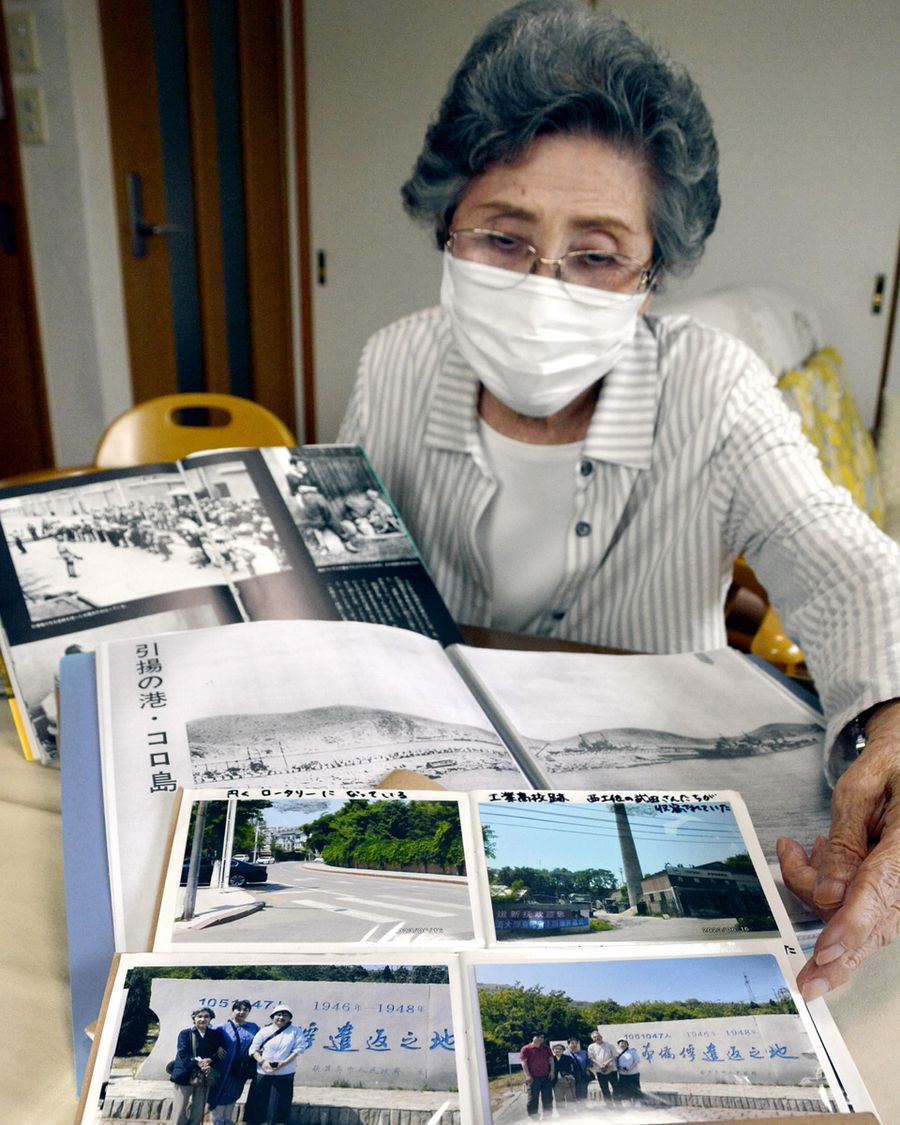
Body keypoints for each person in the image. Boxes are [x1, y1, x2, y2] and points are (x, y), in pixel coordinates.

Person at [337, 0, 900, 1000]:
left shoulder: (714, 389)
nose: (545, 286)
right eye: (503, 239)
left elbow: (848, 563)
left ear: (653, 274)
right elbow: (345, 569)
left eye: (596, 255)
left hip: (644, 818)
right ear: (447, 228)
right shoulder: (395, 364)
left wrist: (894, 718)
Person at [243, 1006, 307, 1125]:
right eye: (278, 1014)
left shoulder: (295, 1031)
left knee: (279, 1104)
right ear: (272, 1017)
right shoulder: (264, 1031)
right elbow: (253, 1049)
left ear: (289, 1018)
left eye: (285, 1015)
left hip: (285, 1073)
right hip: (263, 1072)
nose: (281, 1017)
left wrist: (285, 1062)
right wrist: (262, 1062)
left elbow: (299, 1049)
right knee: (258, 1102)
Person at [169, 1007, 226, 1125]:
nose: (202, 1019)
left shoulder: (215, 1035)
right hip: (185, 1074)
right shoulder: (185, 1034)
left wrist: (210, 1060)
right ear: (193, 1019)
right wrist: (199, 1063)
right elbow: (183, 1053)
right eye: (199, 1016)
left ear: (210, 1019)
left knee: (198, 1109)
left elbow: (220, 1053)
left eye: (206, 1016)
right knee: (180, 1109)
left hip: (204, 1076)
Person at [207, 999, 260, 1125]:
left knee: (234, 1092)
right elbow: (210, 1041)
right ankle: (217, 1120)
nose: (241, 1012)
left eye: (245, 1010)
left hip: (240, 1069)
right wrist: (217, 1047)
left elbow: (260, 1042)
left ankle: (227, 1119)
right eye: (238, 1009)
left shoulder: (253, 1027)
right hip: (224, 1068)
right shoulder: (222, 1028)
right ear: (233, 1010)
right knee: (219, 1092)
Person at [519, 1031, 555, 1117]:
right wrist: (527, 1075)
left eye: (542, 1037)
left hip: (546, 1077)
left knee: (548, 1098)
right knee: (532, 1098)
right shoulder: (526, 1049)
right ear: (533, 1037)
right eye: (538, 1037)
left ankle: (548, 1116)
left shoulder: (546, 1048)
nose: (540, 1039)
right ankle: (534, 1117)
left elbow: (551, 1060)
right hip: (533, 1078)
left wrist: (552, 1071)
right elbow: (523, 1063)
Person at [587, 1029, 617, 1104]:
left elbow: (614, 1055)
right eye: (594, 1037)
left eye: (598, 1036)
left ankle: (618, 1103)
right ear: (593, 1039)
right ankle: (609, 1105)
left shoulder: (609, 1044)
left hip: (611, 1069)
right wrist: (600, 1064)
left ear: (601, 1036)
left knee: (616, 1087)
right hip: (599, 1070)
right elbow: (591, 1058)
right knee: (604, 1088)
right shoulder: (591, 1047)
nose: (597, 1038)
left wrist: (607, 1062)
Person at [550, 1042, 576, 1108]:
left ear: (563, 1050)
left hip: (567, 1081)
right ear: (553, 1050)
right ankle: (562, 1115)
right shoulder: (551, 1059)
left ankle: (571, 1114)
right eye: (556, 1049)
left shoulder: (568, 1058)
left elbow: (574, 1068)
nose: (558, 1050)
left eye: (560, 1049)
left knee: (570, 1098)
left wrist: (571, 1075)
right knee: (559, 1099)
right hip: (556, 1082)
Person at [615, 1039, 642, 1103]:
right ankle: (627, 1102)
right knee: (625, 1089)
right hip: (623, 1074)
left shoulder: (632, 1051)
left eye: (624, 1043)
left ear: (627, 1044)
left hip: (633, 1073)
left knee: (635, 1089)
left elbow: (637, 1061)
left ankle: (637, 1102)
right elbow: (615, 1062)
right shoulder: (616, 1052)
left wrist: (630, 1068)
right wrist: (620, 1068)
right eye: (621, 1043)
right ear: (618, 1045)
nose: (622, 1044)